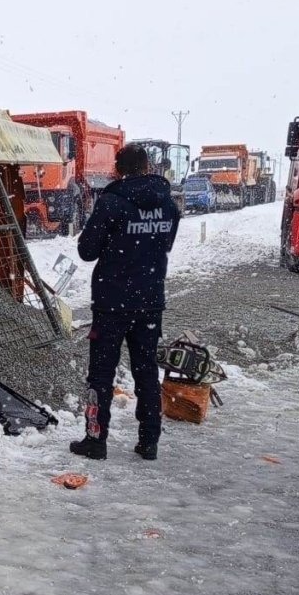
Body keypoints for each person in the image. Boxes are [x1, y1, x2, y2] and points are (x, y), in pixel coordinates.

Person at [71, 143, 181, 461]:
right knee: (146, 371)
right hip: (150, 301)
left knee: (101, 374)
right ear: (147, 167)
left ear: (118, 169)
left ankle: (95, 440)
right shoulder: (167, 204)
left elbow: (86, 251)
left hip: (112, 302)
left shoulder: (111, 202)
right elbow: (166, 243)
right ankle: (149, 441)